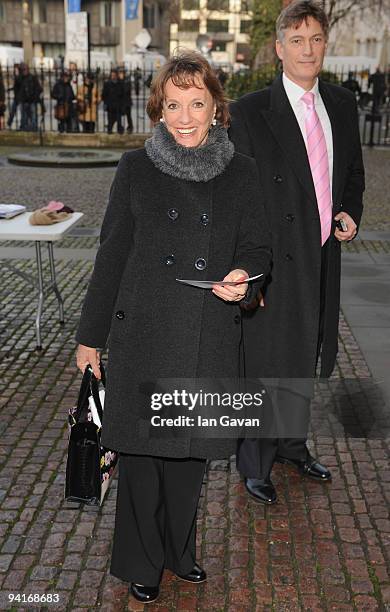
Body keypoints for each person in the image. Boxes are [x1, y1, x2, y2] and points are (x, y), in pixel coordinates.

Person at [75, 50, 271, 604]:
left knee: (189, 457)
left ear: (216, 109)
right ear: (158, 111)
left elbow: (258, 247)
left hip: (208, 333)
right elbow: (110, 255)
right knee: (142, 458)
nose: (185, 117)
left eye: (197, 104)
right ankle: (141, 561)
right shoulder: (136, 168)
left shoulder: (242, 172)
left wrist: (245, 278)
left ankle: (178, 553)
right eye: (173, 105)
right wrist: (90, 338)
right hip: (144, 333)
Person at [229, 0, 365, 504]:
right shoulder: (248, 112)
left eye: (316, 39)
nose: (307, 49)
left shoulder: (343, 104)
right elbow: (238, 197)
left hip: (323, 253)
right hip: (272, 258)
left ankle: (291, 444)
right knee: (265, 360)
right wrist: (246, 270)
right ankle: (254, 461)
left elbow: (352, 174)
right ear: (279, 49)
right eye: (297, 40)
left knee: (304, 352)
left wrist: (350, 212)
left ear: (324, 45)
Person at [19, 64, 42, 131]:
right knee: (24, 117)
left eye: (25, 69)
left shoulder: (33, 78)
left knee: (33, 116)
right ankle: (24, 128)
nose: (24, 71)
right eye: (23, 70)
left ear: (28, 70)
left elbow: (39, 88)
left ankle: (34, 129)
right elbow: (17, 89)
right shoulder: (20, 78)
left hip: (32, 100)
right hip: (24, 100)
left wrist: (35, 96)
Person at [102, 69, 124, 134]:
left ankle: (120, 131)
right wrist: (106, 103)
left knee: (119, 120)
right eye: (112, 75)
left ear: (117, 76)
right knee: (110, 120)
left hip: (118, 105)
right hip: (110, 105)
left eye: (114, 75)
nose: (113, 77)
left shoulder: (120, 83)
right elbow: (104, 95)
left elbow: (123, 95)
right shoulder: (107, 84)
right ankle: (109, 131)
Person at [118, 67, 133, 133]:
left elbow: (126, 90)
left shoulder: (127, 81)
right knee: (118, 115)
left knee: (128, 115)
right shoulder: (118, 81)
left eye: (121, 73)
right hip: (120, 101)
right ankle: (120, 127)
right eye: (119, 73)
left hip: (127, 102)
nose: (120, 75)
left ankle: (130, 127)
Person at [6, 64, 22, 128]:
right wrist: (10, 89)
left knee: (22, 112)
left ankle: (22, 124)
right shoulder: (16, 77)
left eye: (16, 69)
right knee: (13, 111)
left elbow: (20, 85)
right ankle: (9, 123)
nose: (15, 71)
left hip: (21, 97)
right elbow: (15, 87)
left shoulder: (20, 77)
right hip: (16, 97)